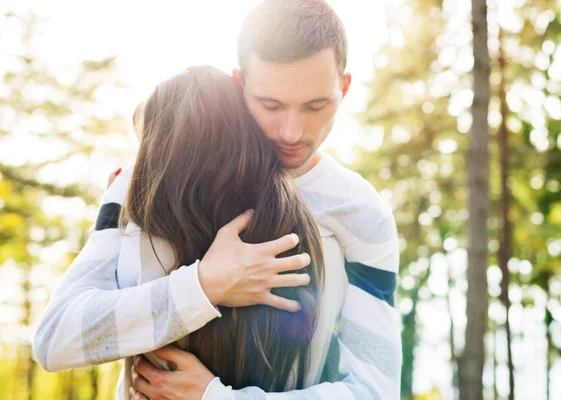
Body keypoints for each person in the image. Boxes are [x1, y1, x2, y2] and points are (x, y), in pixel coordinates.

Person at [33, 1, 402, 399]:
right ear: (240, 82)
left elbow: (374, 390)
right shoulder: (150, 178)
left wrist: (215, 396)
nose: (291, 131)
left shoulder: (362, 214)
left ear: (343, 88)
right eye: (271, 104)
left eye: (316, 106)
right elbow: (57, 337)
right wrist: (204, 287)